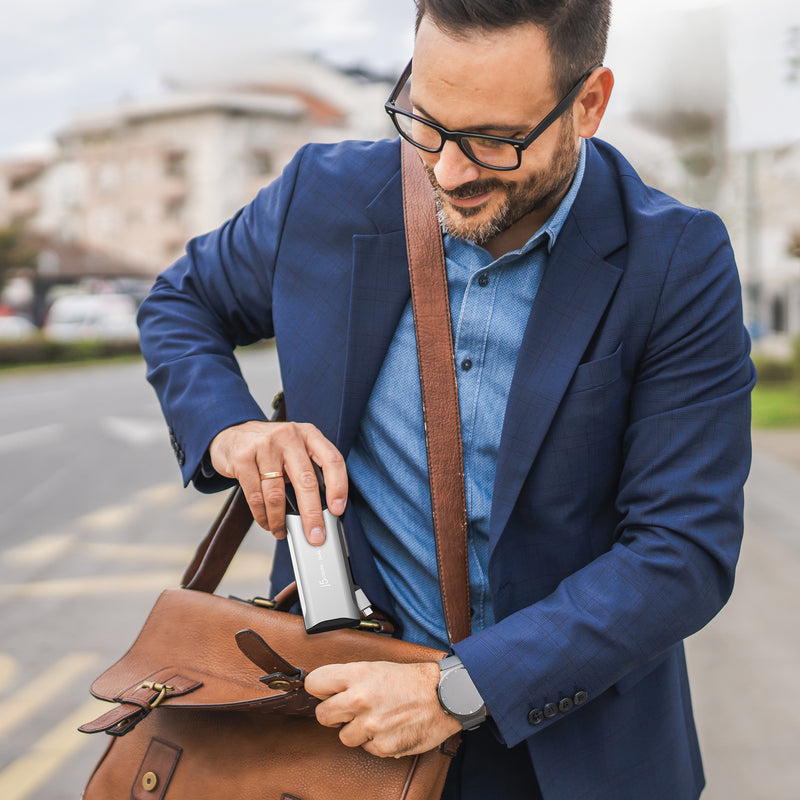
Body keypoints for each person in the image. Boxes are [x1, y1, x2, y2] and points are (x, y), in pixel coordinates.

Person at [137, 1, 755, 797]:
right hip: (340, 740)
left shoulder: (677, 261)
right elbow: (180, 302)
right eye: (425, 121)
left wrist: (454, 692)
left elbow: (683, 552)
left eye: (494, 140)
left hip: (578, 759)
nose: (448, 169)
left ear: (590, 103)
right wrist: (231, 429)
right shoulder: (319, 197)